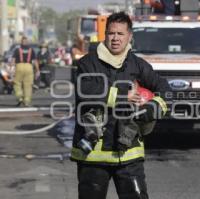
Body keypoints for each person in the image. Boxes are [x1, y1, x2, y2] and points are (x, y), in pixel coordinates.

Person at [70, 12, 169, 199]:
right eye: (111, 33)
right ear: (105, 34)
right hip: (93, 157)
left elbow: (165, 89)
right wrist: (123, 96)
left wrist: (152, 109)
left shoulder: (138, 65)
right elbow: (86, 90)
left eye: (120, 34)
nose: (115, 38)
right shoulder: (87, 63)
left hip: (129, 155)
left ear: (130, 36)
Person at [12, 36, 39, 107]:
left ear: (21, 42)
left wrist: (11, 68)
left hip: (19, 66)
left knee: (17, 83)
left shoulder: (17, 50)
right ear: (27, 42)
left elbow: (13, 60)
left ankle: (20, 97)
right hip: (29, 67)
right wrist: (37, 70)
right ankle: (26, 102)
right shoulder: (31, 50)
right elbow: (35, 61)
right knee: (28, 85)